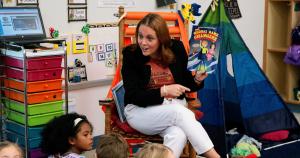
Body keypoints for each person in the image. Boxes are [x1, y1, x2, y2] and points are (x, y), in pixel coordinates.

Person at [121, 13, 220, 158]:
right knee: (179, 112)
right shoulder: (131, 55)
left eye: (150, 38)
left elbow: (187, 83)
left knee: (178, 134)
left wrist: (197, 79)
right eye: (140, 36)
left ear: (161, 39)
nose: (142, 42)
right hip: (140, 111)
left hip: (173, 107)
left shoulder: (177, 49)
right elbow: (133, 96)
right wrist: (164, 91)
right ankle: (215, 156)